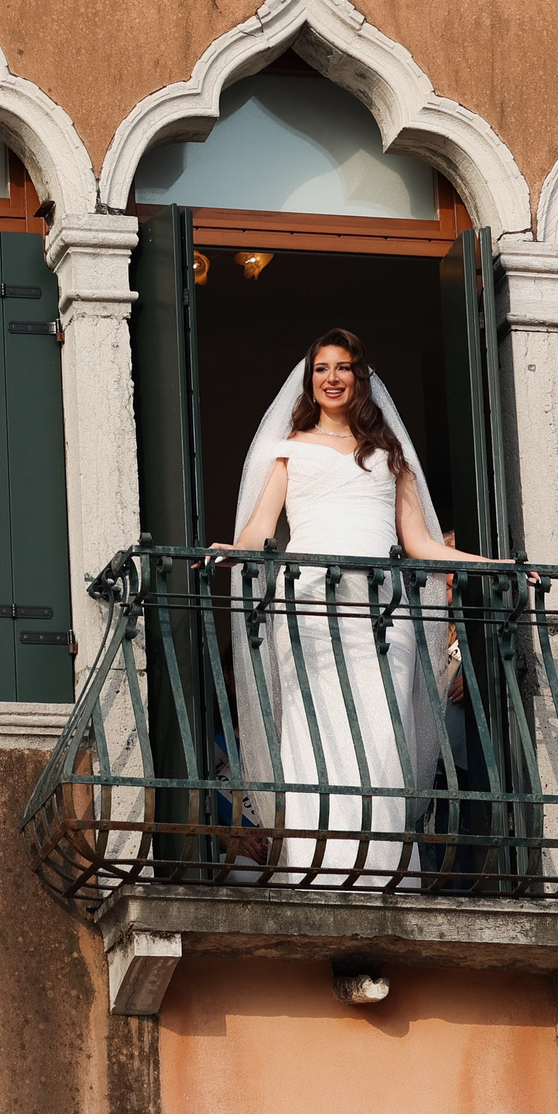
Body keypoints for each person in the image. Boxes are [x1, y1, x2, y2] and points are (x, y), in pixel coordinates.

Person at [214, 330, 507, 886]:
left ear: (358, 378)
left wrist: (497, 566)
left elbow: (422, 545)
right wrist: (229, 554)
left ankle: (380, 871)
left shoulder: (390, 458)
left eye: (342, 367)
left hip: (382, 615)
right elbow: (257, 530)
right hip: (310, 610)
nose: (331, 377)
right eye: (321, 368)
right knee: (312, 729)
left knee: (380, 728)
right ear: (310, 381)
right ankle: (314, 869)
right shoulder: (290, 450)